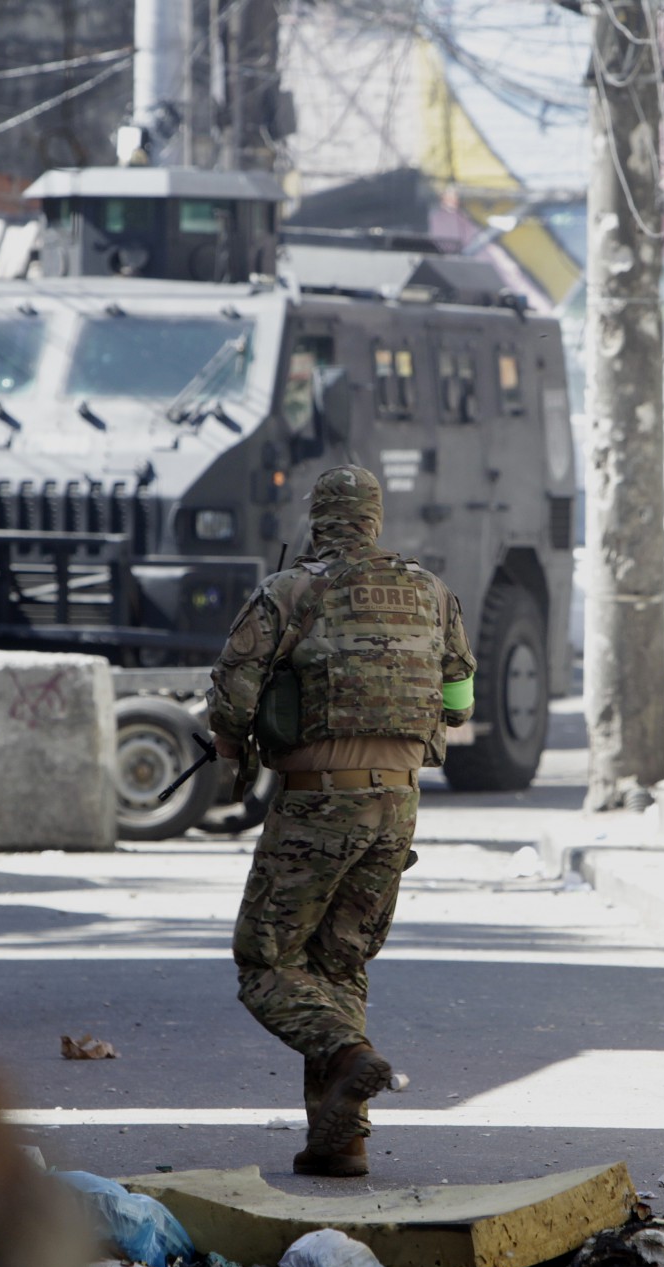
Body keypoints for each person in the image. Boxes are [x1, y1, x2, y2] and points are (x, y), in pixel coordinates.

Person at [208, 465, 476, 1178]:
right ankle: (341, 1139)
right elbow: (459, 699)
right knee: (339, 963)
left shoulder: (289, 591)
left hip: (317, 802)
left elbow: (231, 702)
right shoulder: (432, 593)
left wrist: (244, 732)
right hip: (398, 806)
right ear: (375, 519)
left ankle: (348, 1054)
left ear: (318, 520)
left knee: (265, 961)